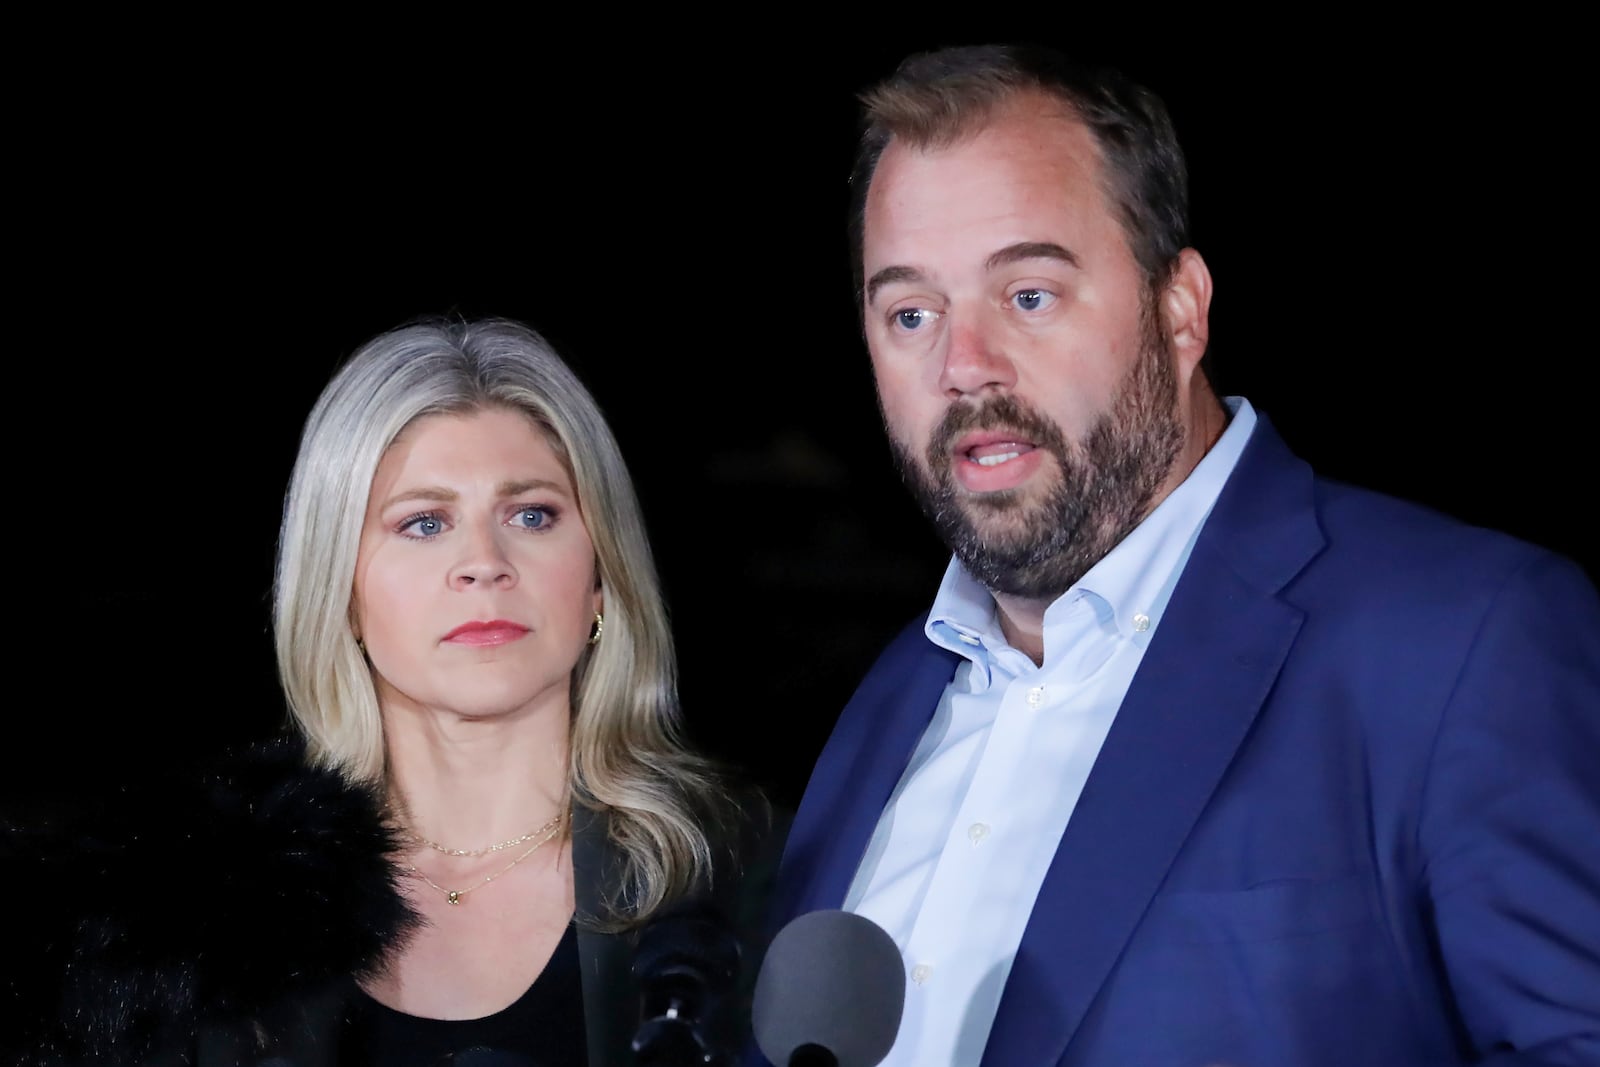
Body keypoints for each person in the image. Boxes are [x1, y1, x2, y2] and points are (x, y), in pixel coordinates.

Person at [759, 43, 1600, 1066]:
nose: (961, 365)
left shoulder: (1459, 643)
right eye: (910, 313)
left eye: (1027, 294)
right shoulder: (885, 703)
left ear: (1179, 309)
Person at [9, 315, 776, 1066]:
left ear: (602, 578)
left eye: (532, 513)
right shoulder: (190, 916)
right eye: (423, 523)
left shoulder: (735, 874)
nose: (483, 561)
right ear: (341, 589)